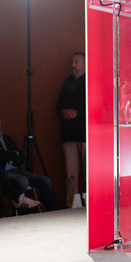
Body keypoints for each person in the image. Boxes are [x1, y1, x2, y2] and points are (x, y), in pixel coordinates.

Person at [0, 110, 59, 211]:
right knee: (23, 181)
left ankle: (53, 211)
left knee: (45, 180)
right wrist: (11, 154)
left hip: (17, 170)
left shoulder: (7, 138)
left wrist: (6, 154)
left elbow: (21, 157)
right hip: (3, 173)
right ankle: (19, 212)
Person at [56, 52, 86, 207]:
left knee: (89, 175)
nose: (72, 65)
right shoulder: (66, 83)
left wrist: (78, 112)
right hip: (68, 135)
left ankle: (91, 205)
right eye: (72, 61)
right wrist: (63, 112)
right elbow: (58, 106)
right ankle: (71, 207)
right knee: (71, 175)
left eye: (76, 61)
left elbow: (96, 106)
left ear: (85, 63)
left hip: (86, 135)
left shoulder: (90, 82)